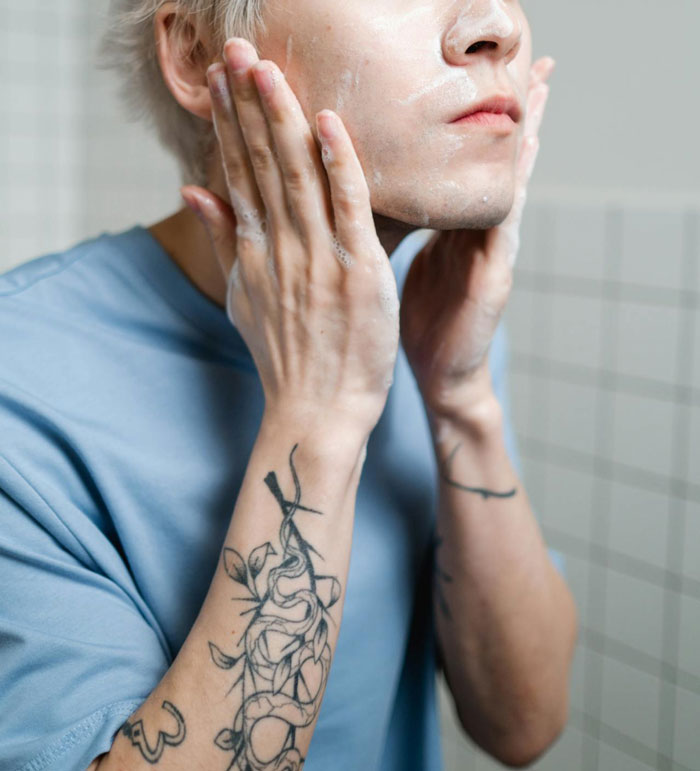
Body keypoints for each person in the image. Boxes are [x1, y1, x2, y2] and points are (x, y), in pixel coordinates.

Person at [0, 0, 577, 769]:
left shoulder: (425, 309)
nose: (498, 26)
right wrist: (319, 416)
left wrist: (461, 400)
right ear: (199, 50)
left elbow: (523, 723)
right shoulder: (20, 382)